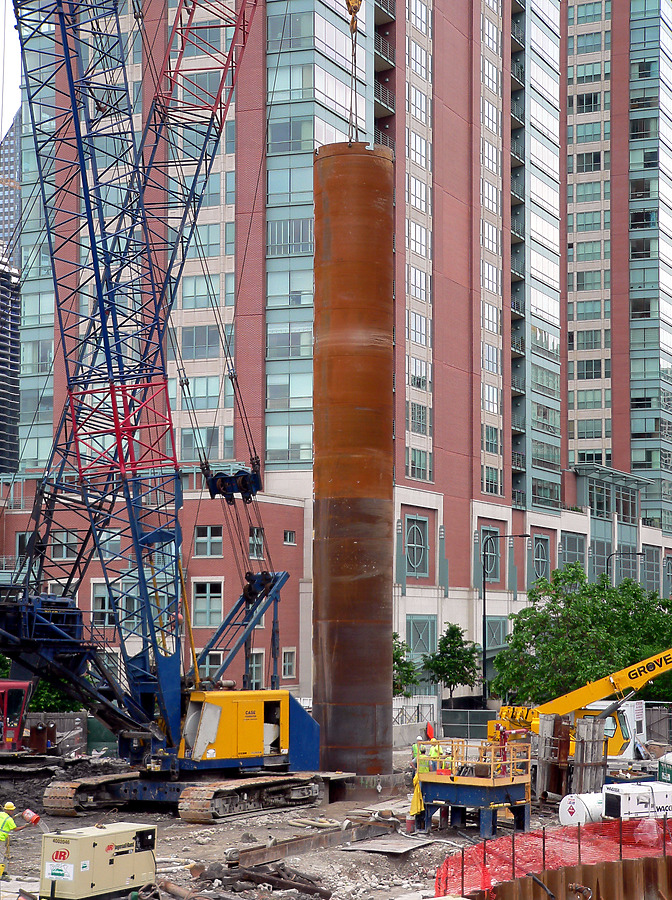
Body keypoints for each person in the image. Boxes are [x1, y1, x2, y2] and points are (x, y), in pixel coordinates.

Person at [0, 803, 28, 880]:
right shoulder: (9, 820)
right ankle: (1, 874)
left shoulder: (1, 814)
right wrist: (26, 826)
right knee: (2, 856)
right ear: (8, 810)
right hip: (1, 839)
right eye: (12, 810)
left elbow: (4, 820)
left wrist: (16, 816)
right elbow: (15, 829)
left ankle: (3, 872)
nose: (13, 812)